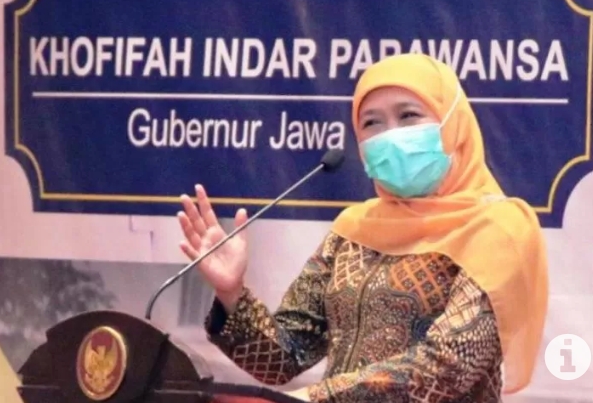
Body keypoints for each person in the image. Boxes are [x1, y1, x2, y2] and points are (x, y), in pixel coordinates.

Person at [176, 53, 549, 402]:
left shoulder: (498, 227)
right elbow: (284, 359)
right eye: (372, 122)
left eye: (409, 116)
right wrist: (232, 294)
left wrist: (316, 398)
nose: (390, 134)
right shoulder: (354, 229)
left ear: (453, 124)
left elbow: (447, 366)